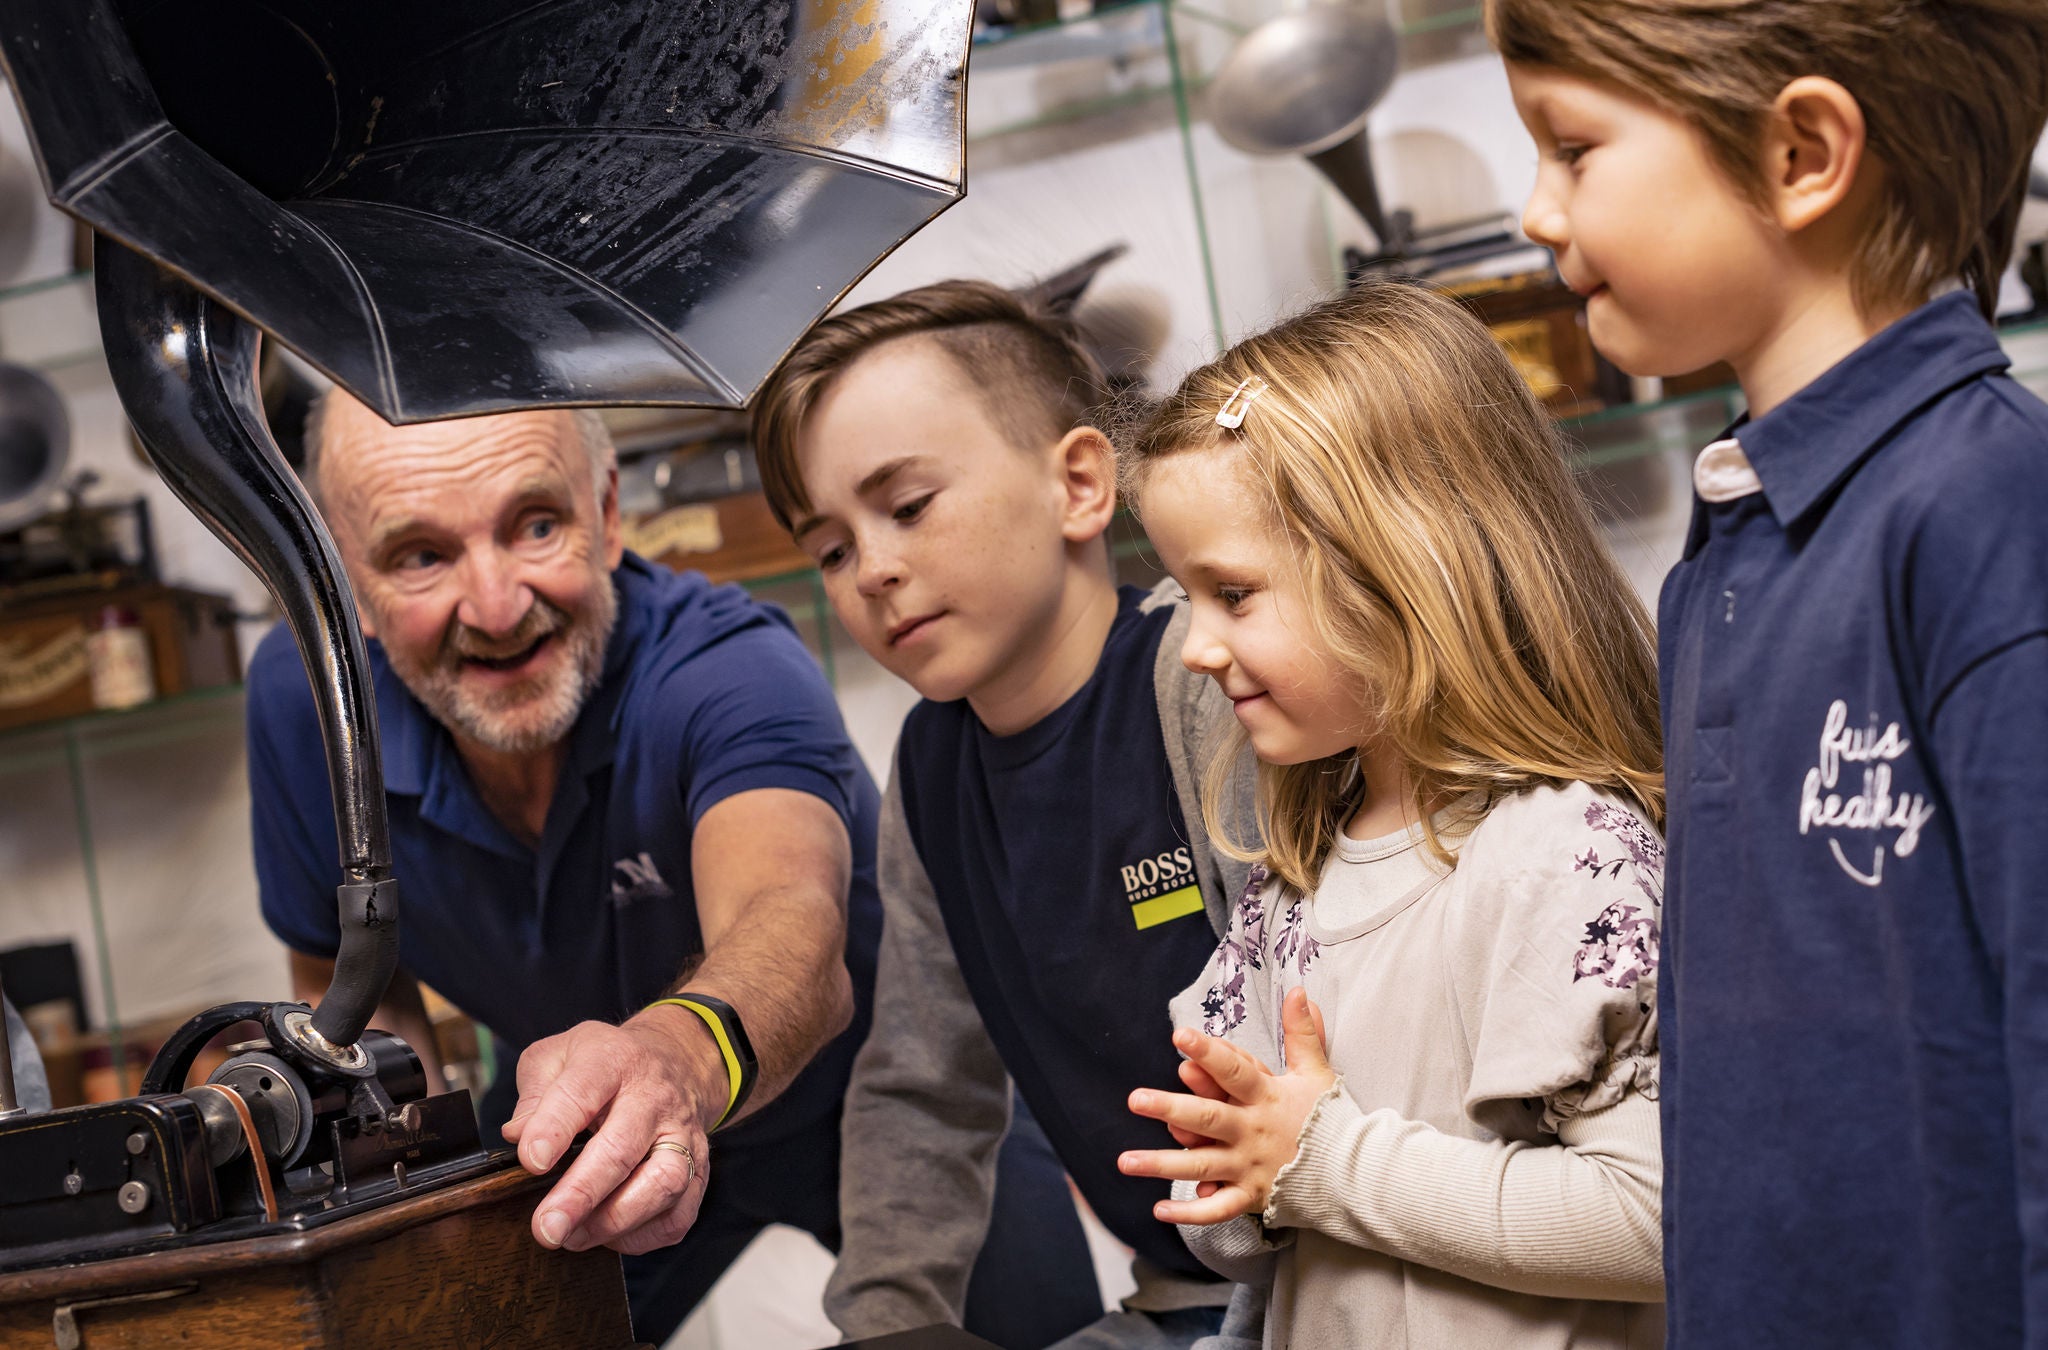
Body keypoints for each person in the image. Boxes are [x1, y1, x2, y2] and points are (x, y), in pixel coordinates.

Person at [246, 391, 1083, 1344]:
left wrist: (673, 1064)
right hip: (586, 1124)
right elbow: (350, 980)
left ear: (607, 514)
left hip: (891, 1103)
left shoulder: (730, 666)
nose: (494, 605)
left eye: (536, 525)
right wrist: (408, 1192)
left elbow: (795, 924)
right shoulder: (303, 706)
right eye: (421, 555)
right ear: (346, 579)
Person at [1491, 2, 2048, 1344]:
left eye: (1573, 149)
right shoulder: (1727, 543)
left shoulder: (1984, 504)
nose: (1533, 213)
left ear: (1803, 151)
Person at [1114, 281, 1667, 1349]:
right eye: (1186, 597)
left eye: (1231, 594)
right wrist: (1241, 1170)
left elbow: (1653, 1220)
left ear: (1402, 572)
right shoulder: (1294, 881)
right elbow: (1244, 1236)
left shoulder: (1563, 856)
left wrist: (1318, 1161)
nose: (1193, 646)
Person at [749, 279, 1252, 1348]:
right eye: (829, 548)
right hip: (1180, 1304)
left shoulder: (1203, 686)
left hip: (1344, 1279)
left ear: (1077, 483)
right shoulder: (932, 769)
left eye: (908, 506)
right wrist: (887, 1322)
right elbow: (923, 1087)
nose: (872, 570)